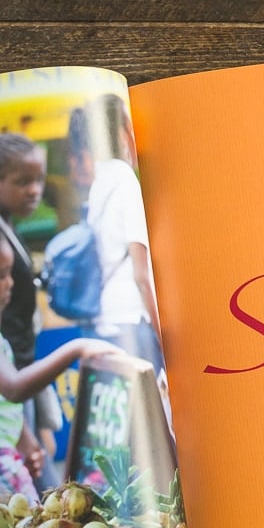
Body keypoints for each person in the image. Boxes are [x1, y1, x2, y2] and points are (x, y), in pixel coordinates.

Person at [0, 232, 119, 504]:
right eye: (1, 275)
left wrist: (24, 436)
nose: (10, 283)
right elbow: (13, 388)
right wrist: (76, 348)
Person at [67, 99, 166, 383]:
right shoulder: (124, 179)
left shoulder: (100, 182)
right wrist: (165, 338)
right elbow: (141, 274)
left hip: (103, 321)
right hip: (131, 321)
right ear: (121, 132)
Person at [0, 133, 61, 492]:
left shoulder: (10, 227)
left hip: (19, 370)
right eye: (22, 181)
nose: (33, 190)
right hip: (13, 379)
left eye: (39, 180)